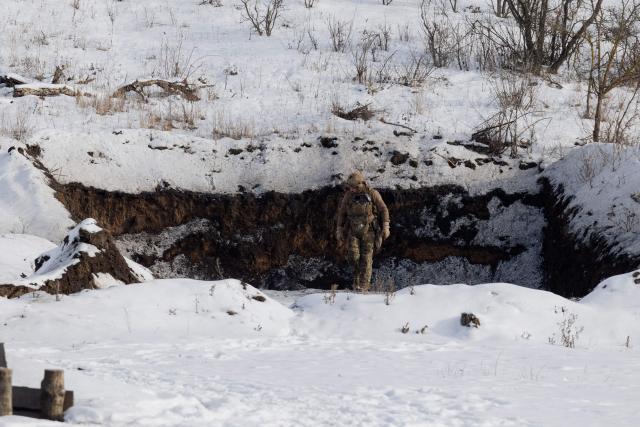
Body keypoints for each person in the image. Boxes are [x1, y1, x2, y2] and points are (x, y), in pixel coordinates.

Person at [336, 171, 390, 292]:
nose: (351, 189)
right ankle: (356, 278)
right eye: (350, 187)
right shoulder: (348, 196)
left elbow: (383, 209)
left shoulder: (372, 193)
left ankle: (364, 286)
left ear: (361, 184)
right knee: (353, 257)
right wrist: (339, 229)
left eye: (354, 187)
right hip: (353, 229)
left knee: (366, 258)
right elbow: (342, 213)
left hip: (369, 230)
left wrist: (386, 226)